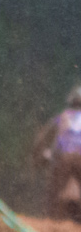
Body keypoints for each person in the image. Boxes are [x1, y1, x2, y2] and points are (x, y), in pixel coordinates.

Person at [34, 86, 81, 219]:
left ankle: (53, 220)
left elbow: (42, 139)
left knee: (55, 190)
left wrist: (40, 155)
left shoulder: (62, 117)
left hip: (63, 158)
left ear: (71, 101)